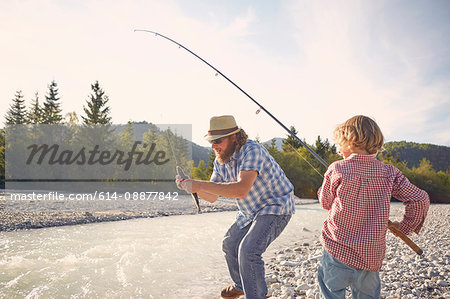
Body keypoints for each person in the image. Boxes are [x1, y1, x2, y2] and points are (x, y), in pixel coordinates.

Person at [176, 115, 295, 299]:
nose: (213, 146)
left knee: (248, 251)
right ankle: (241, 286)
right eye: (211, 141)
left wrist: (199, 184)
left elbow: (241, 190)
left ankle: (256, 295)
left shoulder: (252, 150)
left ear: (234, 137)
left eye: (217, 141)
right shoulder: (220, 161)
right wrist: (189, 187)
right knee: (229, 244)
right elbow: (213, 196)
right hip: (250, 210)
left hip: (276, 206)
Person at [317, 115, 430, 299]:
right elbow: (420, 198)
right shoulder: (389, 173)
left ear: (350, 142)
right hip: (370, 257)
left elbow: (325, 202)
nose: (338, 151)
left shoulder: (337, 168)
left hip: (337, 250)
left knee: (330, 293)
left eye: (340, 145)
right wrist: (405, 227)